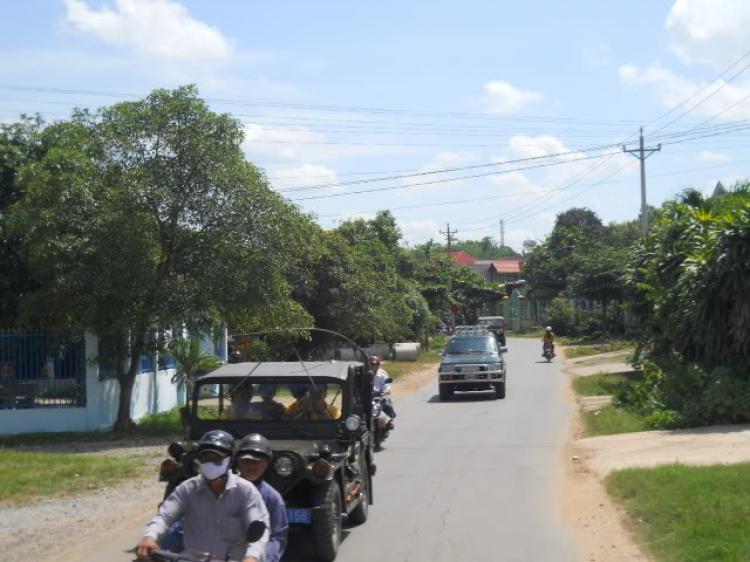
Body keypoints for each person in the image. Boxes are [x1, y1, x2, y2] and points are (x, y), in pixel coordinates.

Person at [136, 430, 270, 562]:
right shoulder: (187, 488)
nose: (209, 463)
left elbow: (259, 529)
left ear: (230, 461)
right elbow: (164, 517)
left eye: (216, 458)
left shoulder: (246, 491)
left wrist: (251, 557)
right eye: (205, 458)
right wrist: (149, 537)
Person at [236, 434, 289, 562]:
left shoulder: (273, 499)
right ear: (238, 462)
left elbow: (278, 538)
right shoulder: (226, 490)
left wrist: (258, 558)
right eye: (246, 461)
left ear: (266, 464)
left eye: (257, 462)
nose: (251, 466)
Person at [369, 356, 396, 423]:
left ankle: (390, 421)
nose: (372, 366)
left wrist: (385, 391)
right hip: (368, 397)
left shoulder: (382, 375)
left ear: (378, 365)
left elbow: (387, 387)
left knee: (388, 406)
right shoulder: (364, 375)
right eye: (371, 364)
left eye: (374, 364)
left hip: (380, 397)